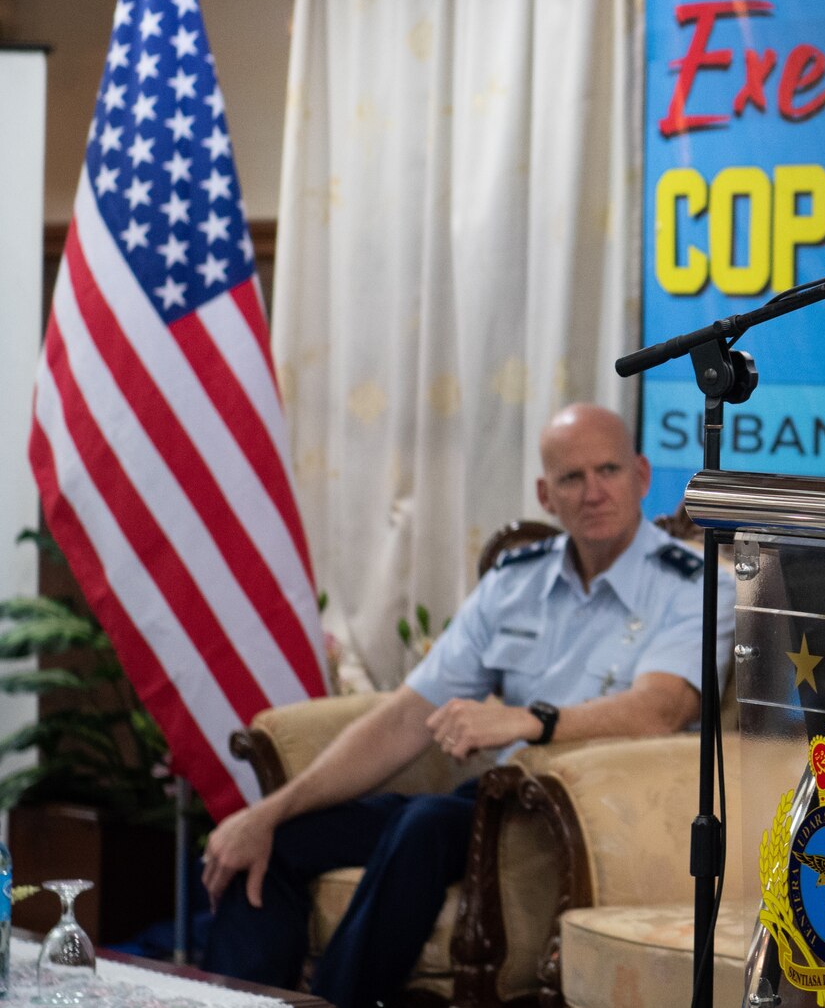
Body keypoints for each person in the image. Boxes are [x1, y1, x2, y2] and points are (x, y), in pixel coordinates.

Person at [202, 403, 733, 1006]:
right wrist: (267, 812)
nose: (593, 492)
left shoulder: (695, 583)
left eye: (608, 471)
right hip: (488, 804)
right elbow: (407, 717)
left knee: (425, 824)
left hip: (588, 822)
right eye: (571, 478)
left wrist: (533, 721)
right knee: (280, 842)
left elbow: (657, 711)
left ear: (641, 476)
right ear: (544, 493)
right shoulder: (516, 581)